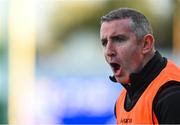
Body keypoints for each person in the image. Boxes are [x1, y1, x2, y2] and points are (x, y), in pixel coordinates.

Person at [100, 8, 180, 124]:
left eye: (118, 39)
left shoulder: (171, 95)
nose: (108, 51)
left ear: (146, 44)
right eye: (104, 42)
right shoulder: (123, 98)